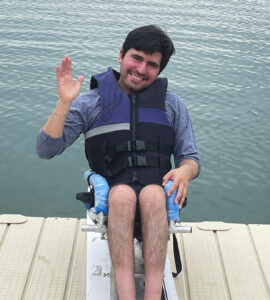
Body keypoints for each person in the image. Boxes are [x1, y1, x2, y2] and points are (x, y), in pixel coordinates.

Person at [36, 25, 200, 300]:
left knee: (151, 196)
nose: (141, 68)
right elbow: (46, 149)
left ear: (159, 71)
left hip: (156, 191)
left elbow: (190, 157)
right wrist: (64, 104)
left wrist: (185, 171)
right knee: (123, 196)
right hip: (113, 190)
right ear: (121, 55)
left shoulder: (173, 105)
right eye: (136, 58)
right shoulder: (90, 103)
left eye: (151, 64)